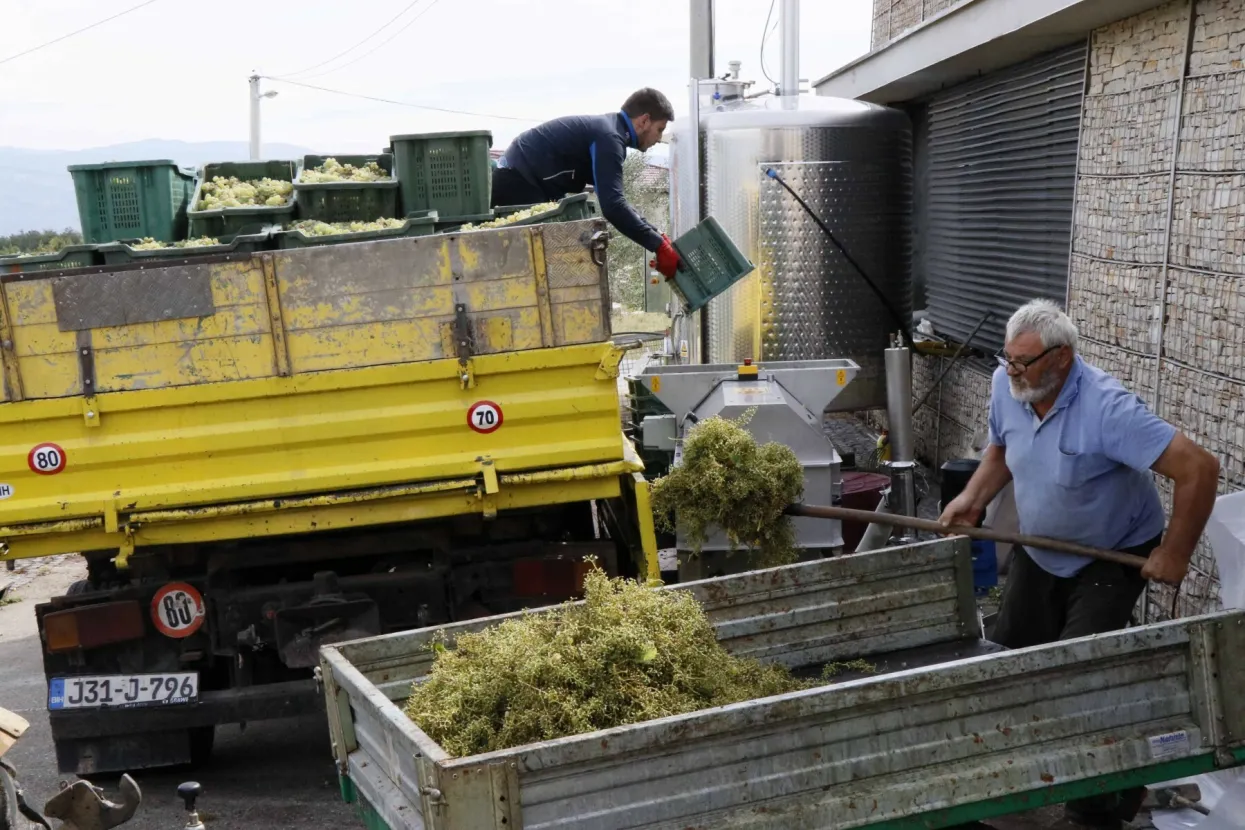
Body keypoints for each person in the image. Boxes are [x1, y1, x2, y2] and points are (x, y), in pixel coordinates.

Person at [939, 298, 1220, 828]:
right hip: (1041, 548)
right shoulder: (1010, 385)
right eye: (1007, 359)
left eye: (1023, 362)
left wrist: (1175, 553)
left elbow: (1200, 469)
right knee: (1007, 658)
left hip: (1111, 555)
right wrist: (974, 498)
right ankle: (1009, 781)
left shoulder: (1108, 409)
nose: (1011, 372)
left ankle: (1098, 807)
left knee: (1082, 676)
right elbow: (1000, 449)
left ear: (1061, 358)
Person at [491, 87, 682, 280]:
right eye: (660, 129)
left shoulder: (611, 132)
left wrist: (657, 234)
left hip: (523, 179)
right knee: (533, 273)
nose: (659, 139)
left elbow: (616, 200)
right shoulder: (609, 138)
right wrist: (657, 245)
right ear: (644, 121)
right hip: (517, 181)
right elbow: (613, 206)